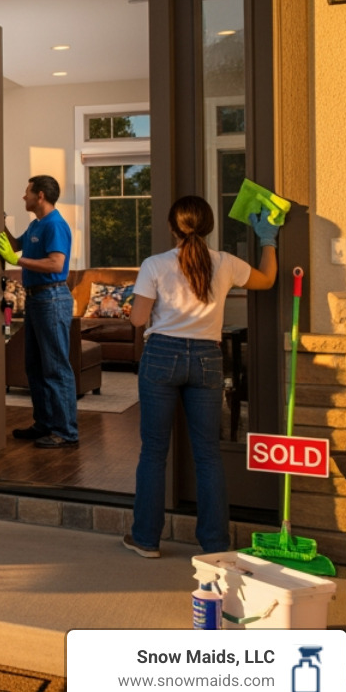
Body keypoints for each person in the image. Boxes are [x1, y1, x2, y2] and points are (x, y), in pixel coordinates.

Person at [122, 198, 278, 558]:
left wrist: (140, 302)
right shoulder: (225, 263)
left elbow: (137, 320)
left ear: (171, 226)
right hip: (207, 358)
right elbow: (267, 280)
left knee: (154, 451)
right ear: (207, 226)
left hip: (162, 356)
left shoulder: (155, 265)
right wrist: (267, 238)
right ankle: (215, 545)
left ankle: (146, 540)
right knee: (207, 454)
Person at [0, 174, 77, 448]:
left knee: (55, 367)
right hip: (36, 300)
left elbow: (57, 265)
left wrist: (17, 261)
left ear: (40, 195)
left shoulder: (55, 225)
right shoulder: (37, 223)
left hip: (52, 299)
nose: (24, 196)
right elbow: (16, 246)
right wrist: (1, 222)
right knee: (34, 366)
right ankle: (44, 424)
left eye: (27, 192)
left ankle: (66, 431)